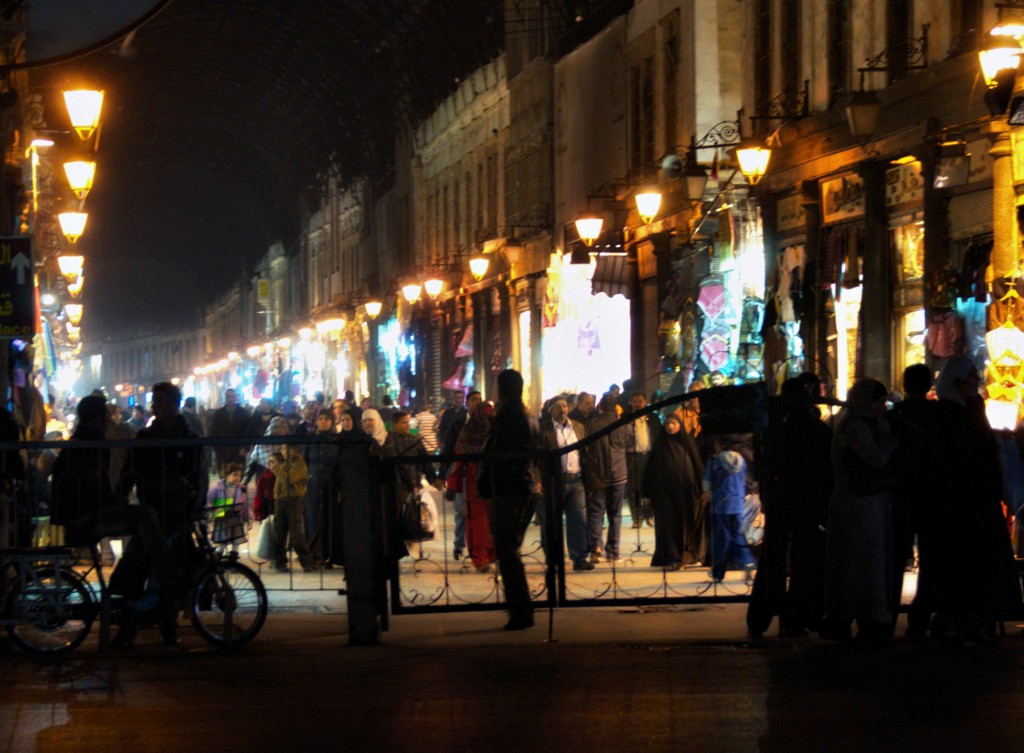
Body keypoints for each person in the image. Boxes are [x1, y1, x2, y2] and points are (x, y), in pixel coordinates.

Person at [929, 356, 1021, 644]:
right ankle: (965, 619)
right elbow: (973, 450)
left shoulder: (953, 413)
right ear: (958, 383)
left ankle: (971, 617)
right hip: (965, 504)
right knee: (967, 564)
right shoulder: (953, 413)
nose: (976, 385)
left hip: (971, 502)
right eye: (971, 380)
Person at [50, 395, 162, 601]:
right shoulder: (93, 445)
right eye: (105, 418)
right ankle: (148, 572)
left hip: (77, 516)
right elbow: (94, 490)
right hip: (85, 520)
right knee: (144, 516)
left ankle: (126, 580)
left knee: (140, 520)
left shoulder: (80, 442)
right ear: (98, 418)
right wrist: (115, 501)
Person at [124, 382, 206, 645]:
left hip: (177, 513)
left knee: (176, 570)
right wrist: (120, 494)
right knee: (137, 567)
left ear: (173, 404)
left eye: (159, 401)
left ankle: (169, 624)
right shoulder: (144, 438)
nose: (154, 407)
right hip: (150, 512)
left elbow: (197, 474)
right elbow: (131, 470)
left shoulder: (189, 438)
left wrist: (195, 503)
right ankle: (128, 626)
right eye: (153, 401)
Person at [821, 378, 900, 643]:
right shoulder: (856, 427)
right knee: (862, 561)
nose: (883, 409)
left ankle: (853, 616)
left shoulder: (853, 424)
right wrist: (886, 435)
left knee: (858, 561)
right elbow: (876, 458)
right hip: (860, 504)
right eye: (881, 403)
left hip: (862, 504)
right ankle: (866, 617)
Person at [479, 369, 541, 630]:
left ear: (502, 389)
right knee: (508, 550)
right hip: (519, 487)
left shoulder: (510, 415)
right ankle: (520, 608)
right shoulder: (522, 414)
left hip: (512, 490)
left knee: (507, 551)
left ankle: (521, 610)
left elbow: (506, 454)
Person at [773, 376, 833, 637]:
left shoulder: (780, 427)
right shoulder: (814, 427)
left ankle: (788, 615)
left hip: (787, 499)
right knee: (808, 558)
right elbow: (826, 467)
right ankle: (805, 614)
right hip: (810, 500)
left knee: (787, 559)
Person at [887, 364, 936, 638]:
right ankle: (920, 620)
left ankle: (888, 618)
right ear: (929, 384)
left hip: (901, 494)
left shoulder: (897, 417)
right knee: (929, 560)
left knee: (895, 559)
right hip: (930, 496)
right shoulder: (936, 414)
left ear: (904, 385)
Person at [644, 413, 704, 570]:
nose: (670, 426)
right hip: (664, 494)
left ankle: (686, 555)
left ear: (679, 425)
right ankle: (673, 557)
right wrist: (649, 494)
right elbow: (651, 471)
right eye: (667, 424)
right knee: (667, 525)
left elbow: (698, 466)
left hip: (686, 493)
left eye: (673, 423)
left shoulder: (687, 443)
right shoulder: (660, 446)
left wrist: (704, 489)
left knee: (684, 525)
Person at [540, 396, 592, 571]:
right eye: (558, 407)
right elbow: (537, 458)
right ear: (550, 410)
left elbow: (585, 454)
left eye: (564, 406)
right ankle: (553, 559)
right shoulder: (544, 430)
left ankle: (580, 558)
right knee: (552, 522)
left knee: (579, 521)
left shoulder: (578, 427)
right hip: (554, 481)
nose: (562, 410)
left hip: (576, 480)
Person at [446, 400, 496, 572]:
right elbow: (458, 461)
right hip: (474, 484)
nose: (487, 420)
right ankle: (480, 558)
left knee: (493, 521)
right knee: (477, 522)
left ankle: (492, 554)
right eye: (485, 416)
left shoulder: (495, 433)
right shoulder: (467, 433)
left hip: (494, 483)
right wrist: (452, 486)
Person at [582, 393, 630, 564]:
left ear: (601, 406)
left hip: (598, 473)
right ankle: (613, 552)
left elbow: (586, 446)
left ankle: (596, 548)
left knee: (596, 512)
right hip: (619, 473)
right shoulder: (621, 424)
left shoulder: (593, 424)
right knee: (615, 514)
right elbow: (630, 442)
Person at [703, 434, 757, 584]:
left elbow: (707, 483)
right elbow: (746, 481)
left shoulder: (715, 461)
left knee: (721, 539)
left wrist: (706, 495)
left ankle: (718, 573)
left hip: (720, 505)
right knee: (738, 535)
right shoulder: (741, 461)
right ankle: (747, 562)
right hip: (737, 504)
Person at [441, 390, 481, 560]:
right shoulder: (458, 425)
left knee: (480, 511)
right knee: (461, 510)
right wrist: (442, 474)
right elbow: (448, 450)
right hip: (462, 473)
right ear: (467, 403)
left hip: (481, 473)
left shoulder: (488, 424)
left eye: (479, 400)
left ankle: (478, 547)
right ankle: (459, 545)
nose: (477, 403)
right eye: (473, 400)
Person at [304, 409, 343, 565]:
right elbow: (304, 461)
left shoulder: (337, 441)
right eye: (321, 419)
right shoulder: (311, 440)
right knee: (312, 519)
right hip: (312, 486)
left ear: (332, 421)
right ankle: (314, 555)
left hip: (331, 486)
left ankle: (329, 555)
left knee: (329, 519)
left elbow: (339, 465)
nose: (324, 422)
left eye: (327, 419)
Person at [273, 440, 317, 573]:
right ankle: (280, 562)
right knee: (279, 532)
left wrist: (276, 468)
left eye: (284, 449)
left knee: (296, 533)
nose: (282, 451)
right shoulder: (284, 464)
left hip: (293, 500)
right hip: (280, 500)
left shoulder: (299, 464)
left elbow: (288, 479)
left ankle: (306, 562)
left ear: (292, 450)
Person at [205, 462, 249, 554]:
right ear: (227, 475)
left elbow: (245, 504)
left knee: (236, 543)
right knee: (222, 543)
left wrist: (247, 518)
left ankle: (233, 562)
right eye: (235, 475)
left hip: (235, 518)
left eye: (240, 475)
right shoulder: (217, 488)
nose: (238, 478)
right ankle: (218, 560)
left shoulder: (241, 488)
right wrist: (211, 512)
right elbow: (209, 501)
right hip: (222, 519)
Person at [625, 391, 653, 527]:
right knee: (633, 490)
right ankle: (636, 518)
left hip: (649, 457)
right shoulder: (626, 418)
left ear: (645, 402)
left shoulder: (652, 418)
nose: (637, 404)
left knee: (649, 489)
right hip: (632, 458)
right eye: (634, 401)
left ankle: (649, 516)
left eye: (639, 401)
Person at [209, 388, 251, 477]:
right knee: (224, 478)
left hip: (238, 450)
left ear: (236, 398)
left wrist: (245, 447)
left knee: (238, 477)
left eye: (232, 396)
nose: (230, 399)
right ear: (225, 398)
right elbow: (214, 432)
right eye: (228, 396)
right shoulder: (219, 414)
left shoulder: (243, 413)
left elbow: (248, 431)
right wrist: (217, 449)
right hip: (223, 451)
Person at [243, 415, 289, 485]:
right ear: (274, 429)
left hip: (282, 482)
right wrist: (244, 481)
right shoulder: (262, 445)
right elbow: (253, 465)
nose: (285, 430)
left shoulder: (288, 444)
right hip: (264, 480)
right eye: (282, 427)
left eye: (285, 427)